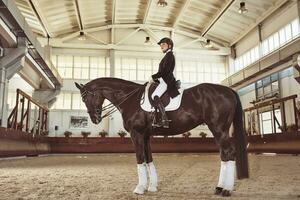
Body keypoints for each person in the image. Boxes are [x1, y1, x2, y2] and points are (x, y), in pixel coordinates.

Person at [150, 37, 180, 128]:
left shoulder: (170, 55)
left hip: (167, 81)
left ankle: (164, 119)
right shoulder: (167, 55)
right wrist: (156, 79)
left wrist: (153, 77)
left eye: (163, 44)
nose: (161, 46)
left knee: (155, 96)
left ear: (169, 46)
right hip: (164, 80)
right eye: (161, 45)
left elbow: (165, 71)